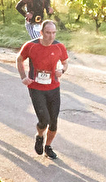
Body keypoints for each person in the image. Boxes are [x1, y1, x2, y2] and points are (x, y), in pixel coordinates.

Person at [15, 19, 69, 159]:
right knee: (44, 120)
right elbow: (19, 59)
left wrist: (61, 70)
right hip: (36, 87)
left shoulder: (59, 46)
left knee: (54, 121)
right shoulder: (31, 46)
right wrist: (23, 77)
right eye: (47, 33)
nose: (51, 36)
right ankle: (39, 136)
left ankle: (48, 146)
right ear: (41, 33)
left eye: (53, 33)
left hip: (53, 87)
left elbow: (65, 63)